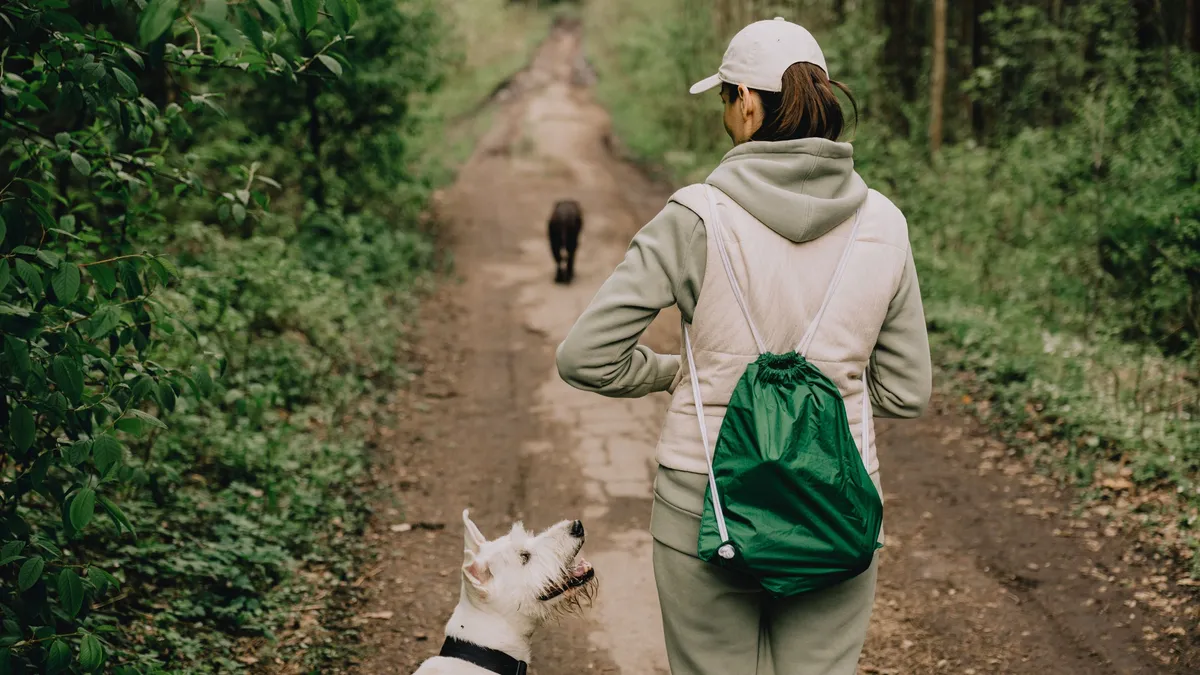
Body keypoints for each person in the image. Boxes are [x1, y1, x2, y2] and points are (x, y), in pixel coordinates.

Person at [555, 17, 932, 675]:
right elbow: (905, 389)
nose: (727, 114)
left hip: (707, 504)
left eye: (726, 99)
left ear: (749, 103)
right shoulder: (885, 223)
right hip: (837, 505)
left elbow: (585, 356)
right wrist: (825, 387)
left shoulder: (694, 216)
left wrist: (679, 371)